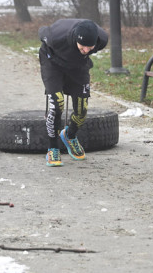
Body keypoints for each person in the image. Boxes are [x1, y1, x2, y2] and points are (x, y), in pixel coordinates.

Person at [37, 18, 108, 166]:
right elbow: (41, 31)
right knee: (57, 105)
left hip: (78, 66)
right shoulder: (55, 36)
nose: (87, 50)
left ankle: (69, 135)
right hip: (53, 63)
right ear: (76, 38)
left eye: (90, 47)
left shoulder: (102, 39)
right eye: (83, 46)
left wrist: (83, 52)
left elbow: (88, 48)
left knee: (82, 109)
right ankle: (53, 148)